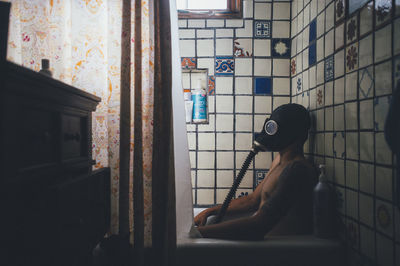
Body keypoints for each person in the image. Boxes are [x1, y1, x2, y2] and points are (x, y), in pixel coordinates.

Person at [194, 103, 317, 240]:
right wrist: (210, 211)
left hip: (281, 253)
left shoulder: (296, 170)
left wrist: (198, 233)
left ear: (297, 133)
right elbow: (252, 200)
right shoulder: (279, 161)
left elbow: (258, 226)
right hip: (264, 248)